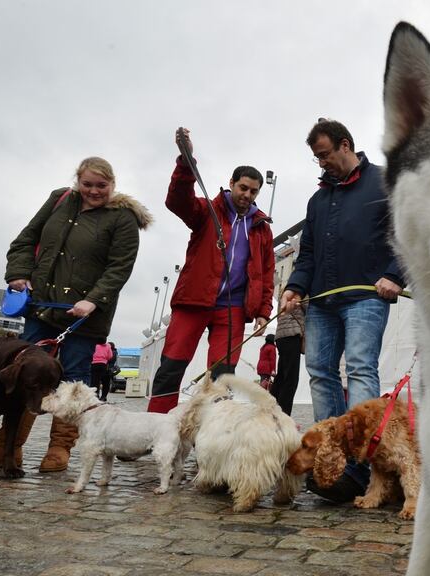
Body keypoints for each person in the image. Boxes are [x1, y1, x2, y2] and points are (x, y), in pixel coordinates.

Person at [0, 157, 152, 473]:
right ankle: (7, 448)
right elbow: (25, 240)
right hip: (42, 307)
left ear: (112, 184)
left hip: (84, 317)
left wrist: (93, 300)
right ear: (77, 180)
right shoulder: (59, 199)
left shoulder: (123, 219)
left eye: (101, 186)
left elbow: (119, 267)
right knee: (23, 376)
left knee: (74, 379)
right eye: (87, 184)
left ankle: (60, 449)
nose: (93, 191)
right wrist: (18, 273)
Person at [280, 118, 405, 502]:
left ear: (345, 145)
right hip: (321, 301)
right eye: (316, 158)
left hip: (367, 296)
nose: (321, 164)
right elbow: (310, 253)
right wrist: (295, 286)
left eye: (324, 155)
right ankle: (330, 457)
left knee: (360, 369)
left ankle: (364, 461)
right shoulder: (317, 200)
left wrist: (394, 274)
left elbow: (407, 233)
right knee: (319, 371)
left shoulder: (385, 182)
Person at [146, 128, 275, 414]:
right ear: (231, 183)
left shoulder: (262, 228)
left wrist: (264, 310)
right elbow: (177, 200)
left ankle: (211, 437)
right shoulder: (207, 210)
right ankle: (154, 428)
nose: (247, 195)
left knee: (222, 377)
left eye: (253, 191)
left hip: (232, 309)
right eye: (243, 188)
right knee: (172, 366)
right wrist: (186, 160)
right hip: (193, 302)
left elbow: (266, 273)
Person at [270, 299, 304, 415]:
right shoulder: (300, 290)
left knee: (281, 377)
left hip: (281, 335)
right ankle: (283, 415)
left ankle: (270, 410)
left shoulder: (285, 293)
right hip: (292, 334)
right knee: (291, 379)